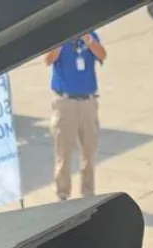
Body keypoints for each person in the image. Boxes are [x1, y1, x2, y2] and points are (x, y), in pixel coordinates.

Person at [44, 29, 104, 201]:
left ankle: (88, 193)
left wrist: (89, 41)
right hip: (65, 102)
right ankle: (62, 194)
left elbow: (102, 55)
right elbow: (48, 60)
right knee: (64, 152)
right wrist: (61, 43)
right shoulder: (59, 39)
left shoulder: (91, 36)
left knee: (89, 151)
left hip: (88, 102)